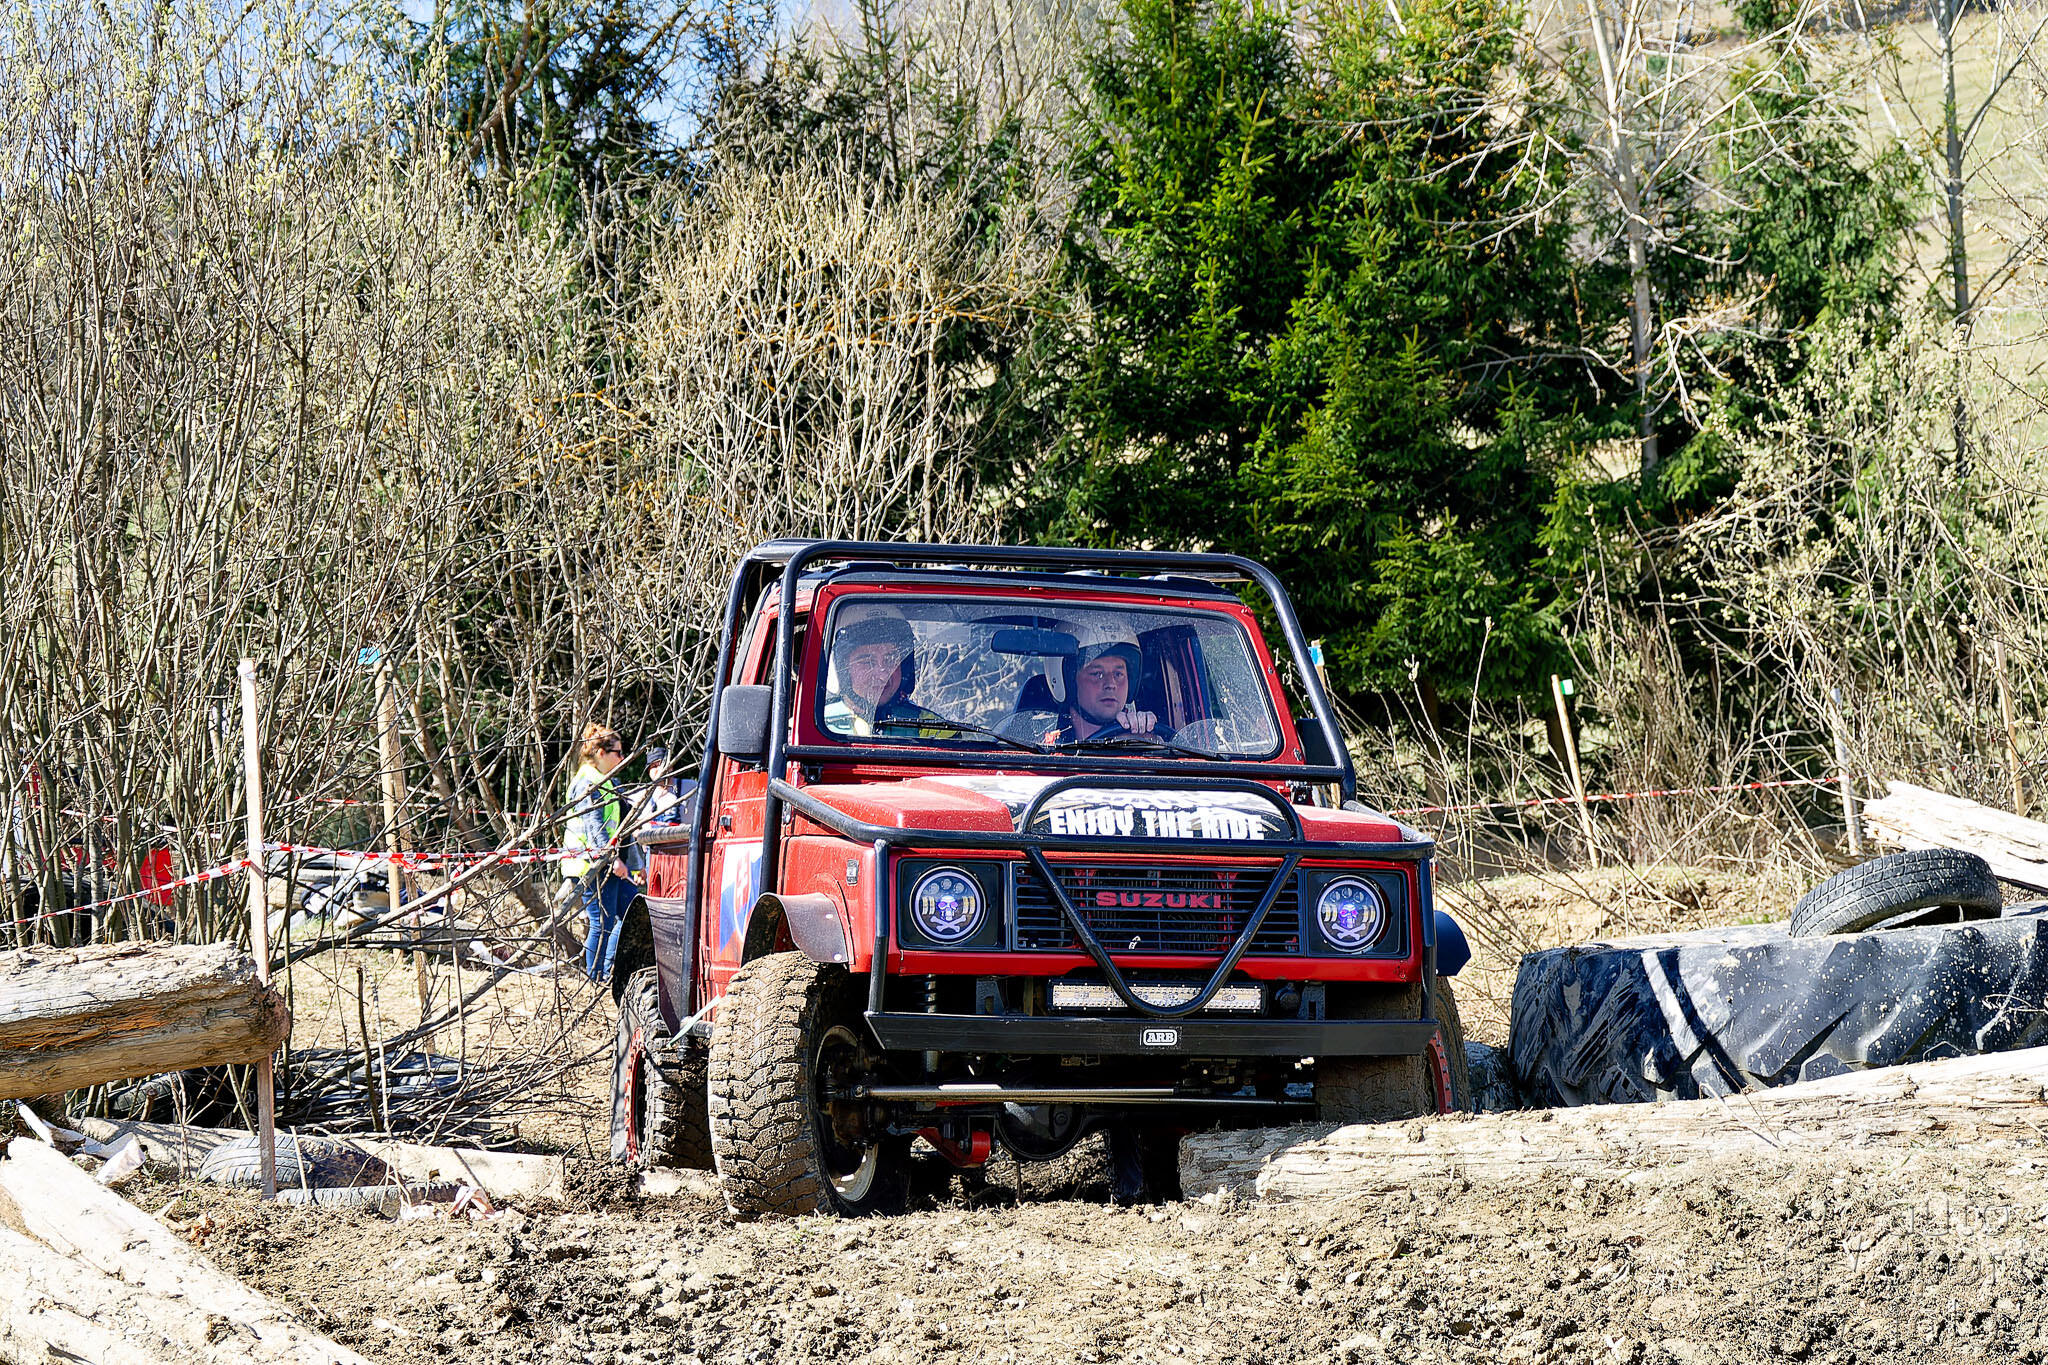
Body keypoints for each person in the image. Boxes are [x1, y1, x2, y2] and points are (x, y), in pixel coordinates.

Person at [562, 723, 636, 981]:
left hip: (607, 864)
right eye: (618, 752)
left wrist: (632, 863)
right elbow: (595, 827)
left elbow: (622, 827)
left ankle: (607, 970)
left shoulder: (609, 783)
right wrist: (613, 860)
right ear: (601, 753)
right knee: (601, 923)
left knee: (630, 913)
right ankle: (596, 977)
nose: (622, 758)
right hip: (590, 865)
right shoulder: (588, 783)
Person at [827, 611, 957, 739]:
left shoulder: (933, 729)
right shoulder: (820, 725)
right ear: (843, 670)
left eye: (890, 660)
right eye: (867, 662)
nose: (882, 676)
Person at [1054, 628, 1161, 743]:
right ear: (1069, 682)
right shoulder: (1045, 745)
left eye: (1118, 674)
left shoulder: (1142, 740)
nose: (1111, 684)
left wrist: (1147, 742)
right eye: (1097, 674)